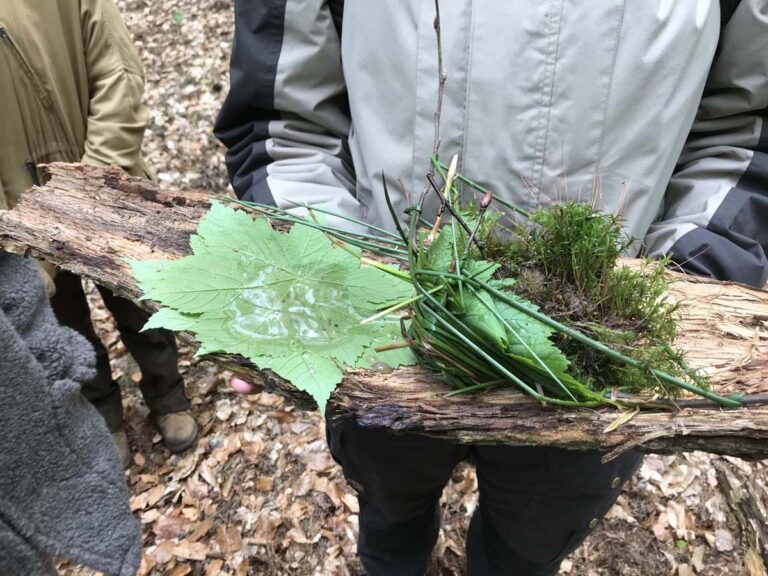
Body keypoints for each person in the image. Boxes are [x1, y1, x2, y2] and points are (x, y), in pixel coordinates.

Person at [215, 1, 768, 574]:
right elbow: (284, 126)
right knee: (388, 514)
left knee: (524, 548)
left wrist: (676, 296)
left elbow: (747, 135)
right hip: (384, 341)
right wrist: (321, 276)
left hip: (593, 369)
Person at [0, 0, 198, 467]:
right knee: (63, 321)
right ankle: (103, 413)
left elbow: (117, 74)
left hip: (108, 185)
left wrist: (92, 186)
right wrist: (16, 230)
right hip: (21, 215)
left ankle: (168, 394)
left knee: (139, 299)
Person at [0, 252, 141, 576]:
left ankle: (170, 398)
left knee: (139, 307)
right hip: (40, 237)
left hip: (87, 216)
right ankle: (109, 414)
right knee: (71, 317)